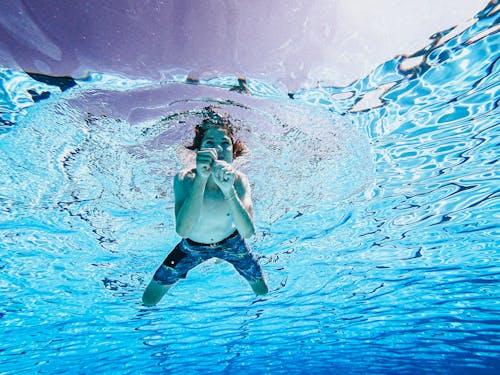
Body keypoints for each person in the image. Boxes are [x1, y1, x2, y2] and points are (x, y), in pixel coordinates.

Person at [142, 107, 269, 306]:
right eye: (209, 142)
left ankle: (220, 258)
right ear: (199, 151)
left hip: (232, 243)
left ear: (234, 153)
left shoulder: (239, 181)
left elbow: (248, 231)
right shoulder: (185, 179)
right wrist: (201, 178)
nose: (217, 149)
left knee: (262, 291)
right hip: (192, 247)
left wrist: (229, 191)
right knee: (149, 299)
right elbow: (182, 230)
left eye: (225, 144)